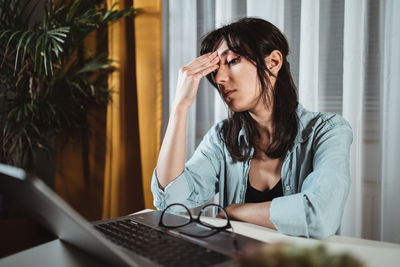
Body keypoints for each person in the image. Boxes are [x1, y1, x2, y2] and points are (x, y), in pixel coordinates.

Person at [151, 17, 353, 239]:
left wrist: (234, 211)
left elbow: (320, 216)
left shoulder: (328, 131)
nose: (219, 78)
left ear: (273, 62)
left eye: (233, 61)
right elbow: (171, 203)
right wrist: (180, 107)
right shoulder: (221, 138)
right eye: (215, 69)